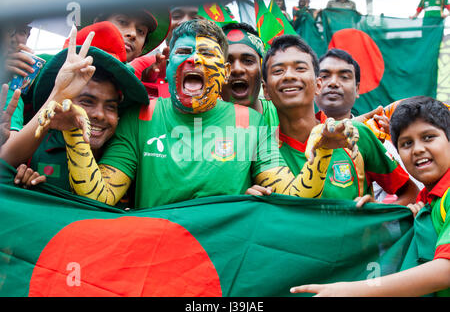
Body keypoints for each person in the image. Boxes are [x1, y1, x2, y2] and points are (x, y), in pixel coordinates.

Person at [34, 19, 359, 209]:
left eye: (207, 54)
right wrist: (76, 135)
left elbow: (293, 195)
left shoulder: (251, 122)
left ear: (223, 69)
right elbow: (99, 197)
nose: (194, 61)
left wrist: (320, 154)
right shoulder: (140, 115)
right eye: (184, 52)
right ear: (169, 64)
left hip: (227, 267)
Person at [291, 97, 450, 297]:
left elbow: (446, 271)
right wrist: (382, 214)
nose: (417, 149)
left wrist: (351, 290)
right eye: (407, 143)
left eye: (428, 137)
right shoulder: (427, 201)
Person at [261, 37, 418, 205]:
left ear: (318, 85)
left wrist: (377, 213)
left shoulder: (357, 134)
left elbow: (410, 192)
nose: (289, 76)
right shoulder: (261, 148)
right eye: (278, 71)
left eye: (300, 68)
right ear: (265, 90)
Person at [0, 23, 148, 196]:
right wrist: (23, 185)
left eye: (111, 106)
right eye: (86, 102)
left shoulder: (126, 146)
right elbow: (5, 160)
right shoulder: (36, 145)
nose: (100, 115)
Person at [220, 22, 278, 128]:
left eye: (247, 61)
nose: (237, 69)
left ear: (262, 72)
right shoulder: (201, 123)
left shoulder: (283, 115)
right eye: (227, 62)